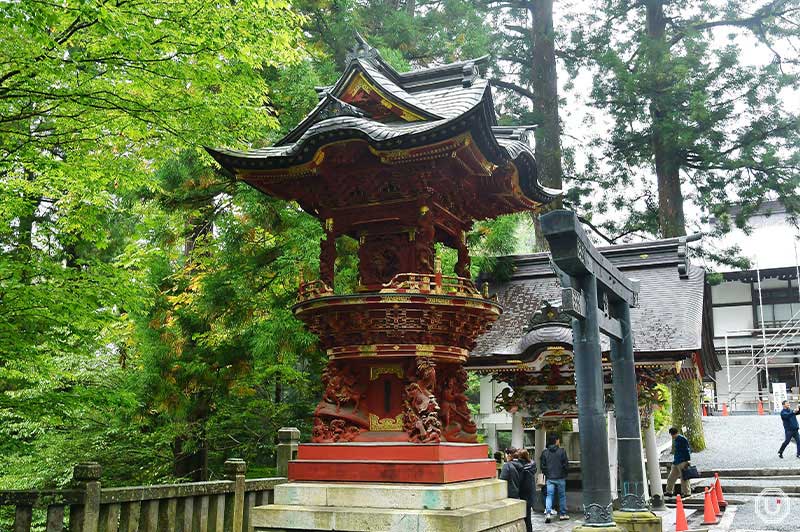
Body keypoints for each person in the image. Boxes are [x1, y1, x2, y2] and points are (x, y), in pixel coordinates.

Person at [540, 434, 569, 523]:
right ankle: (563, 514)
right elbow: (566, 465)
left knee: (549, 496)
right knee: (562, 496)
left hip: (550, 478)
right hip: (560, 477)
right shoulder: (562, 451)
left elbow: (542, 466)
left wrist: (547, 474)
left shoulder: (545, 452)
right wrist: (564, 473)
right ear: (556, 441)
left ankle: (548, 513)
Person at [665, 427, 691, 498]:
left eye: (672, 434)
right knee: (671, 477)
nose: (672, 436)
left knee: (684, 478)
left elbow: (687, 450)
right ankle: (669, 491)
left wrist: (688, 460)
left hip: (683, 461)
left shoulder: (682, 439)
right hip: (676, 461)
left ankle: (687, 492)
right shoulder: (676, 440)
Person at [516, 450, 536, 532]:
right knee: (528, 517)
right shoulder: (533, 464)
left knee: (524, 517)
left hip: (522, 494)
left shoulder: (519, 467)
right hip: (530, 493)